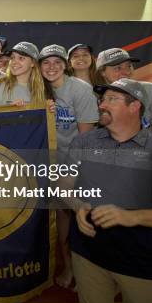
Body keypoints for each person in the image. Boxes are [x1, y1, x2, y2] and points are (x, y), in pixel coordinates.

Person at [66, 78, 152, 303]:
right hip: (88, 257)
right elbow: (62, 183)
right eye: (102, 99)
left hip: (143, 263)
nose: (102, 105)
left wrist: (133, 217)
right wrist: (77, 205)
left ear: (135, 106)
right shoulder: (84, 142)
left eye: (112, 99)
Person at [39, 44, 99, 290]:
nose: (51, 67)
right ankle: (69, 267)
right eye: (46, 63)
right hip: (50, 163)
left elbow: (87, 136)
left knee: (83, 216)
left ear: (65, 65)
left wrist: (69, 172)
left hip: (77, 162)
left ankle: (91, 274)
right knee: (62, 217)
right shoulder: (38, 88)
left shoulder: (80, 89)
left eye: (57, 62)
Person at [95, 48, 152, 140]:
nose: (127, 72)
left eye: (129, 66)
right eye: (118, 68)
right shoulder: (93, 99)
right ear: (102, 72)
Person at [0, 41, 45, 106]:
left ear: (32, 63)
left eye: (21, 58)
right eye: (12, 57)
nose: (14, 62)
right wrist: (10, 111)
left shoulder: (40, 89)